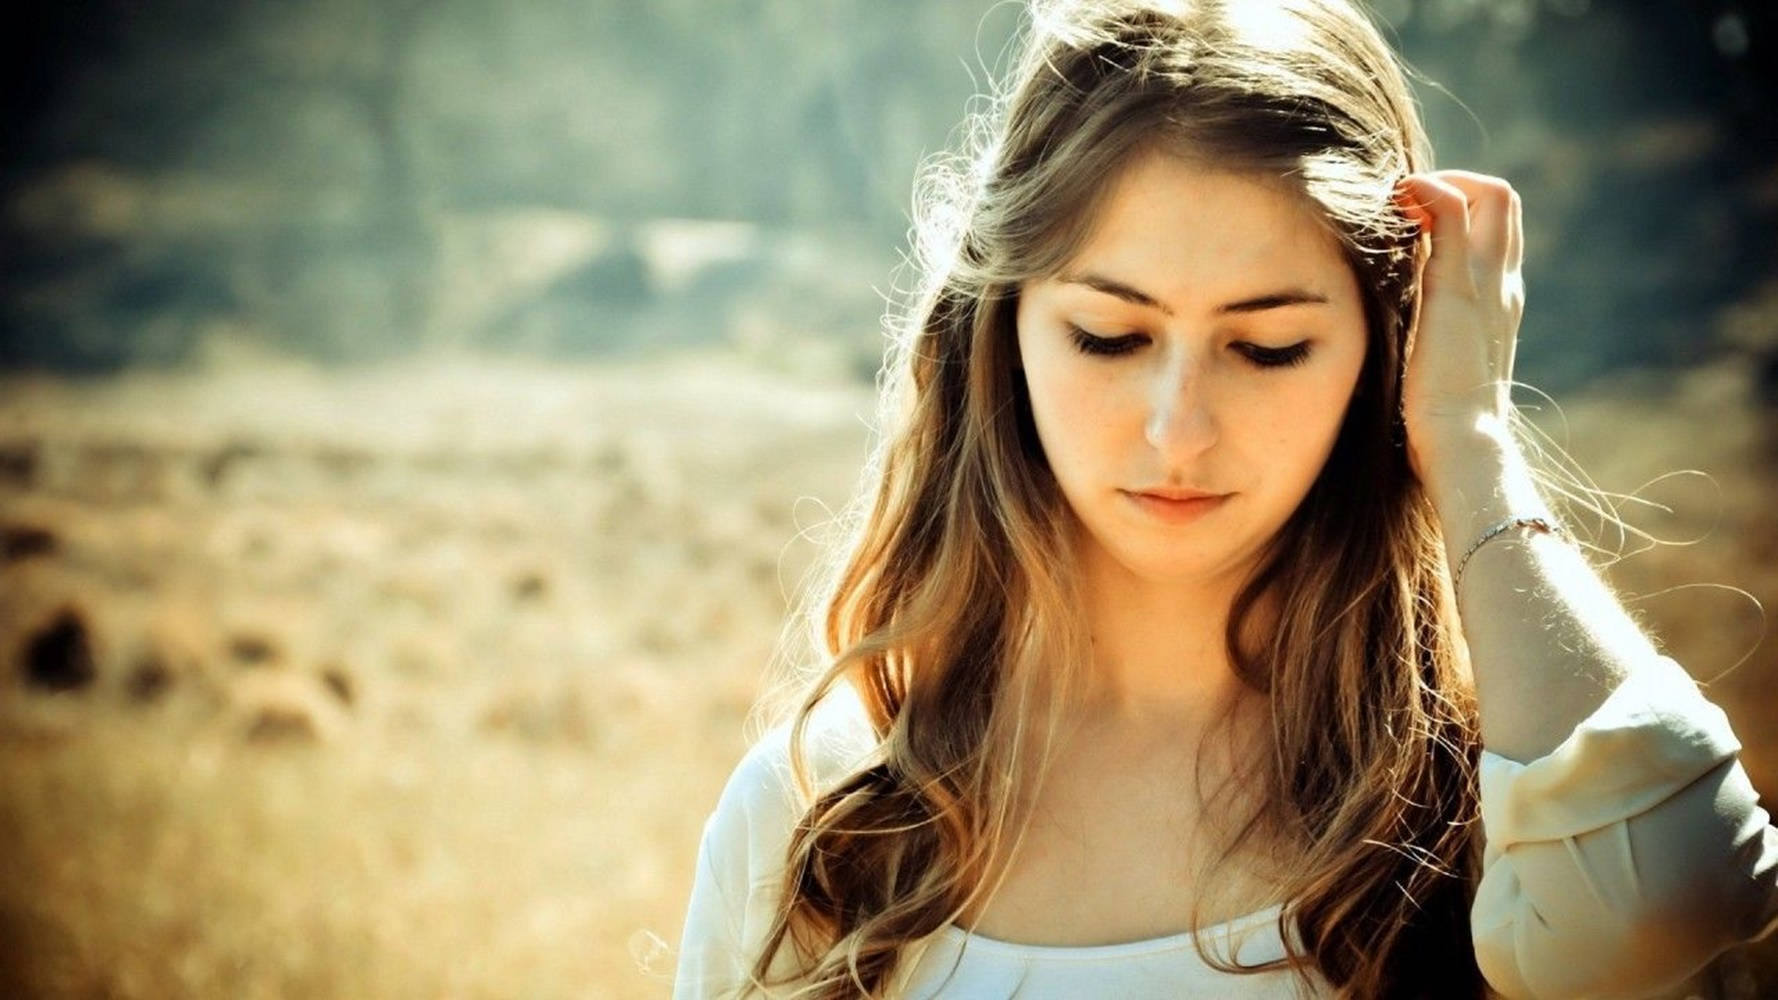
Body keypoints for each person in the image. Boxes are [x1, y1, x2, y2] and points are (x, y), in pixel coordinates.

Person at [670, 1, 1778, 997]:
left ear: (1380, 351)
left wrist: (1467, 431)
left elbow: (1667, 898)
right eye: (1108, 335)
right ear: (1001, 332)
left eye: (1267, 346)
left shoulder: (1489, 809)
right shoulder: (829, 818)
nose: (1176, 429)